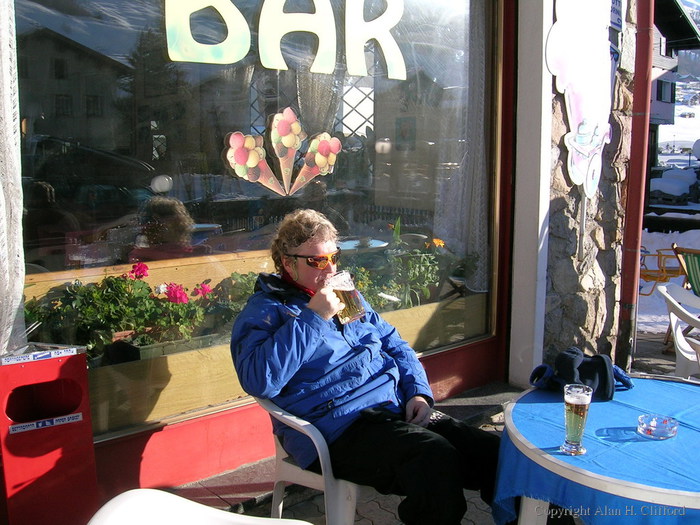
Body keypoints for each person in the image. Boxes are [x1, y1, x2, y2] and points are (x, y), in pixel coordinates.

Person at [230, 209, 500, 525]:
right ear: (289, 263)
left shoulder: (344, 293)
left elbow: (394, 343)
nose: (330, 268)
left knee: (492, 453)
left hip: (391, 407)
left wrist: (418, 392)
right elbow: (260, 380)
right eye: (317, 261)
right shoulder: (266, 311)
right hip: (337, 426)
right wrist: (314, 317)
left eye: (334, 257)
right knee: (434, 460)